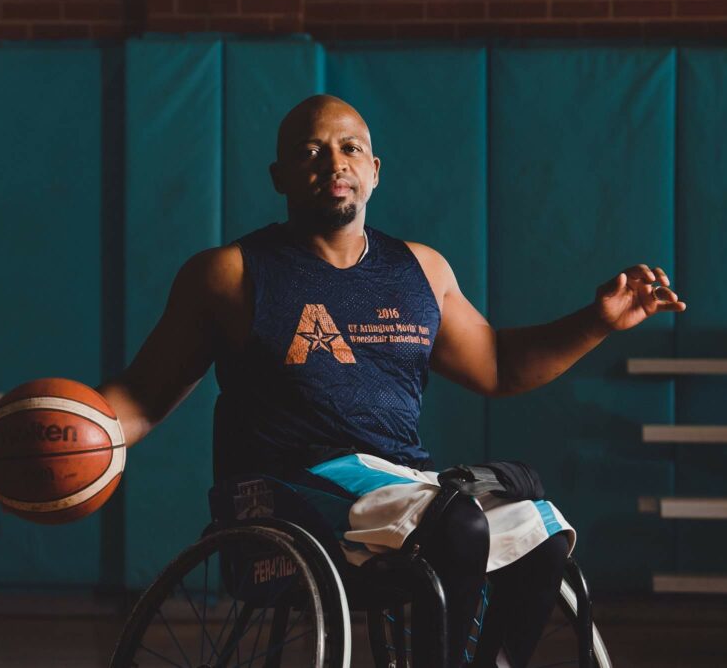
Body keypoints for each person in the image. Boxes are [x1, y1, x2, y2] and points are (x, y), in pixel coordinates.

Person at [97, 94, 687, 667]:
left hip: (396, 486)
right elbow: (143, 397)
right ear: (279, 176)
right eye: (311, 151)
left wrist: (598, 321)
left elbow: (498, 365)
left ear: (374, 172)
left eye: (350, 148)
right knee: (455, 520)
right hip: (287, 493)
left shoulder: (421, 271)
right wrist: (77, 437)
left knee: (544, 531)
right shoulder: (228, 274)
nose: (334, 163)